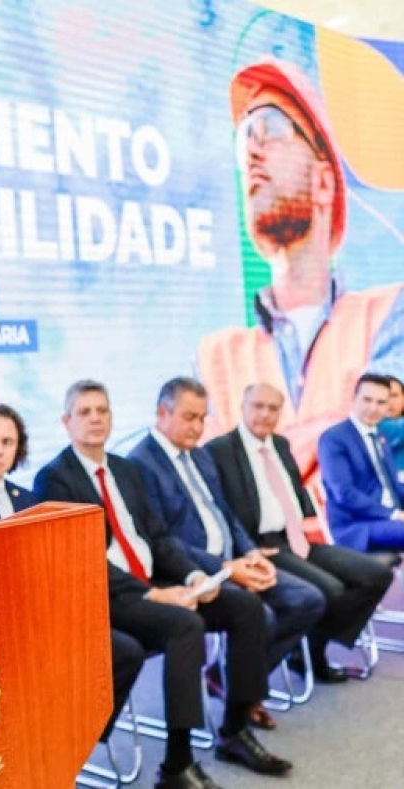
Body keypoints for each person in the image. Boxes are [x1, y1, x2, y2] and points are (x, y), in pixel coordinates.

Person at [34, 380, 292, 789]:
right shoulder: (53, 479)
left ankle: (235, 730)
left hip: (152, 580)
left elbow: (158, 537)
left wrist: (193, 575)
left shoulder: (125, 470)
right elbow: (77, 561)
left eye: (102, 410)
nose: (96, 418)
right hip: (106, 593)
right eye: (84, 412)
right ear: (66, 422)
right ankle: (177, 764)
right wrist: (153, 593)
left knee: (245, 607)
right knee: (185, 625)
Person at [197, 57, 399, 488]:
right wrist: (336, 428)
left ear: (324, 182)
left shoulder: (388, 312)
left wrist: (255, 458)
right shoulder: (216, 357)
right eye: (244, 138)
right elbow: (212, 483)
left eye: (270, 128)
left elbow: (380, 446)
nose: (251, 152)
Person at [128, 377, 324, 729]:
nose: (198, 427)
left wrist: (250, 553)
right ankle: (243, 702)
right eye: (189, 417)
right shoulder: (140, 465)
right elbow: (164, 541)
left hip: (234, 559)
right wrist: (226, 567)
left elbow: (226, 514)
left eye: (203, 418)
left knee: (307, 600)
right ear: (162, 413)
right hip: (191, 571)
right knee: (260, 615)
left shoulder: (199, 454)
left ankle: (232, 678)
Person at [207, 382, 394, 682]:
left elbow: (294, 489)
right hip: (259, 547)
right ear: (242, 407)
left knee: (376, 575)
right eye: (258, 406)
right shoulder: (219, 450)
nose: (265, 414)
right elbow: (218, 510)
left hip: (295, 539)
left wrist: (305, 522)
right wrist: (245, 548)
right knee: (329, 590)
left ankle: (306, 648)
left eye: (273, 408)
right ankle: (243, 670)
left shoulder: (280, 444)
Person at [317, 373, 404, 551]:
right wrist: (392, 514)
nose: (373, 408)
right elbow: (344, 493)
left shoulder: (380, 437)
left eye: (381, 402)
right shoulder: (334, 438)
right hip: (358, 526)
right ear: (354, 398)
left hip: (390, 518)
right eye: (367, 400)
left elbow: (392, 486)